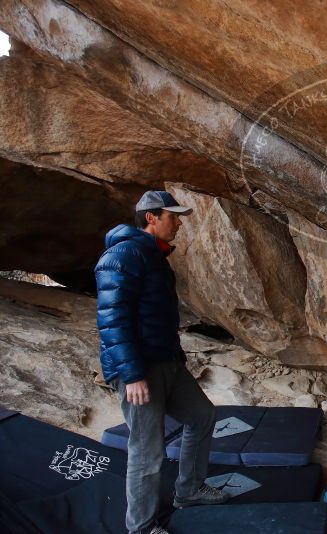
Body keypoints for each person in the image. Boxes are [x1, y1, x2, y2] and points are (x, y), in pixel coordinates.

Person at [95, 191, 229, 534]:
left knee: (201, 415)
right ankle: (140, 528)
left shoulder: (152, 255)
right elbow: (113, 319)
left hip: (165, 361)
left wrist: (175, 358)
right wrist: (133, 374)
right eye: (173, 216)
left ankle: (190, 489)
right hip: (140, 369)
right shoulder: (124, 253)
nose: (179, 222)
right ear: (151, 218)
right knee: (147, 450)